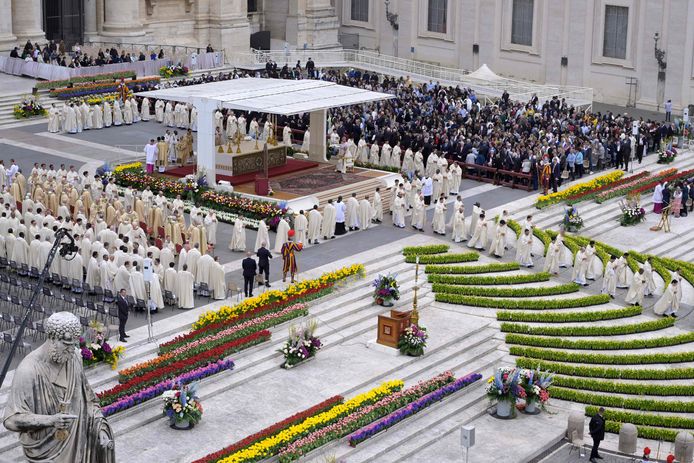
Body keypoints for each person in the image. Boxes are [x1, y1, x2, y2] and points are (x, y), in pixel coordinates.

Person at [3, 312, 115, 463]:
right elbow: (11, 420)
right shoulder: (29, 370)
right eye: (67, 344)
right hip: (46, 452)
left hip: (78, 444)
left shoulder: (74, 357)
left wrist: (100, 428)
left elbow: (88, 400)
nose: (71, 349)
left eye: (74, 344)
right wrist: (50, 420)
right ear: (52, 338)